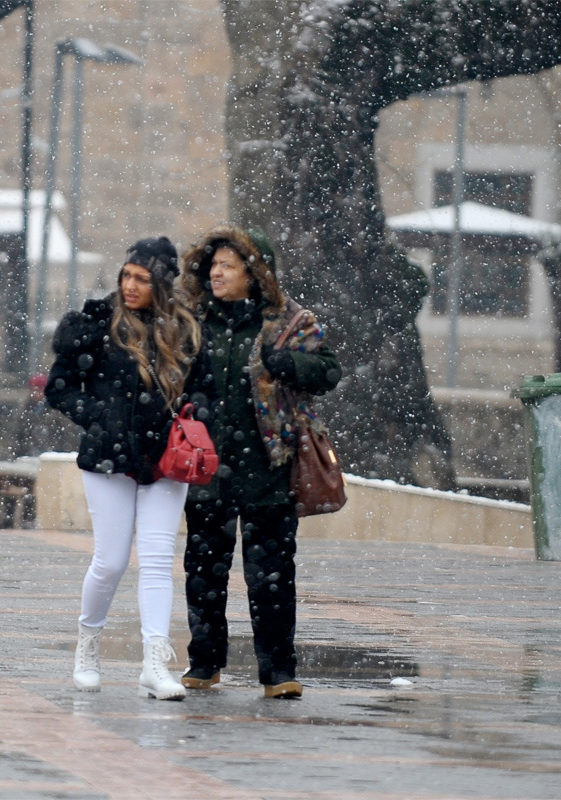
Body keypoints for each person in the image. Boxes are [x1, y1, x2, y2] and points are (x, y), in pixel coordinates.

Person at [46, 237, 214, 700]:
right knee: (112, 561)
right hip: (108, 459)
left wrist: (196, 411)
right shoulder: (98, 325)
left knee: (158, 562)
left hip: (166, 459)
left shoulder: (185, 331)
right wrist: (99, 416)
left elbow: (205, 389)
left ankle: (154, 664)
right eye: (126, 275)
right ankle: (88, 645)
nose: (130, 285)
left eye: (141, 278)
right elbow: (59, 388)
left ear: (161, 283)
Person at [177, 225, 341, 699]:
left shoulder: (290, 323)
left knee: (271, 576)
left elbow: (329, 370)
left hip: (270, 469)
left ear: (254, 273)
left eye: (227, 265)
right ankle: (205, 663)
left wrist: (287, 364)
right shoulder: (194, 320)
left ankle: (277, 672)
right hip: (206, 469)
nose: (216, 273)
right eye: (212, 265)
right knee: (203, 573)